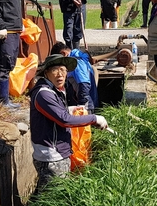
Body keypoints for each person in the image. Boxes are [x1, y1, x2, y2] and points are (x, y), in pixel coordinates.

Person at [29, 54, 108, 191]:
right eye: (55, 70)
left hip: (57, 153)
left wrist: (70, 109)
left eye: (63, 70)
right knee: (52, 195)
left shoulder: (55, 91)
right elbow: (64, 120)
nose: (60, 74)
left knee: (47, 194)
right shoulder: (44, 94)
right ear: (46, 73)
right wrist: (94, 119)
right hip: (52, 157)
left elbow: (58, 114)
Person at [50, 42, 99, 113]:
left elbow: (83, 84)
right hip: (88, 102)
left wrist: (82, 105)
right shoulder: (80, 58)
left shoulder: (76, 62)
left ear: (63, 54)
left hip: (85, 105)